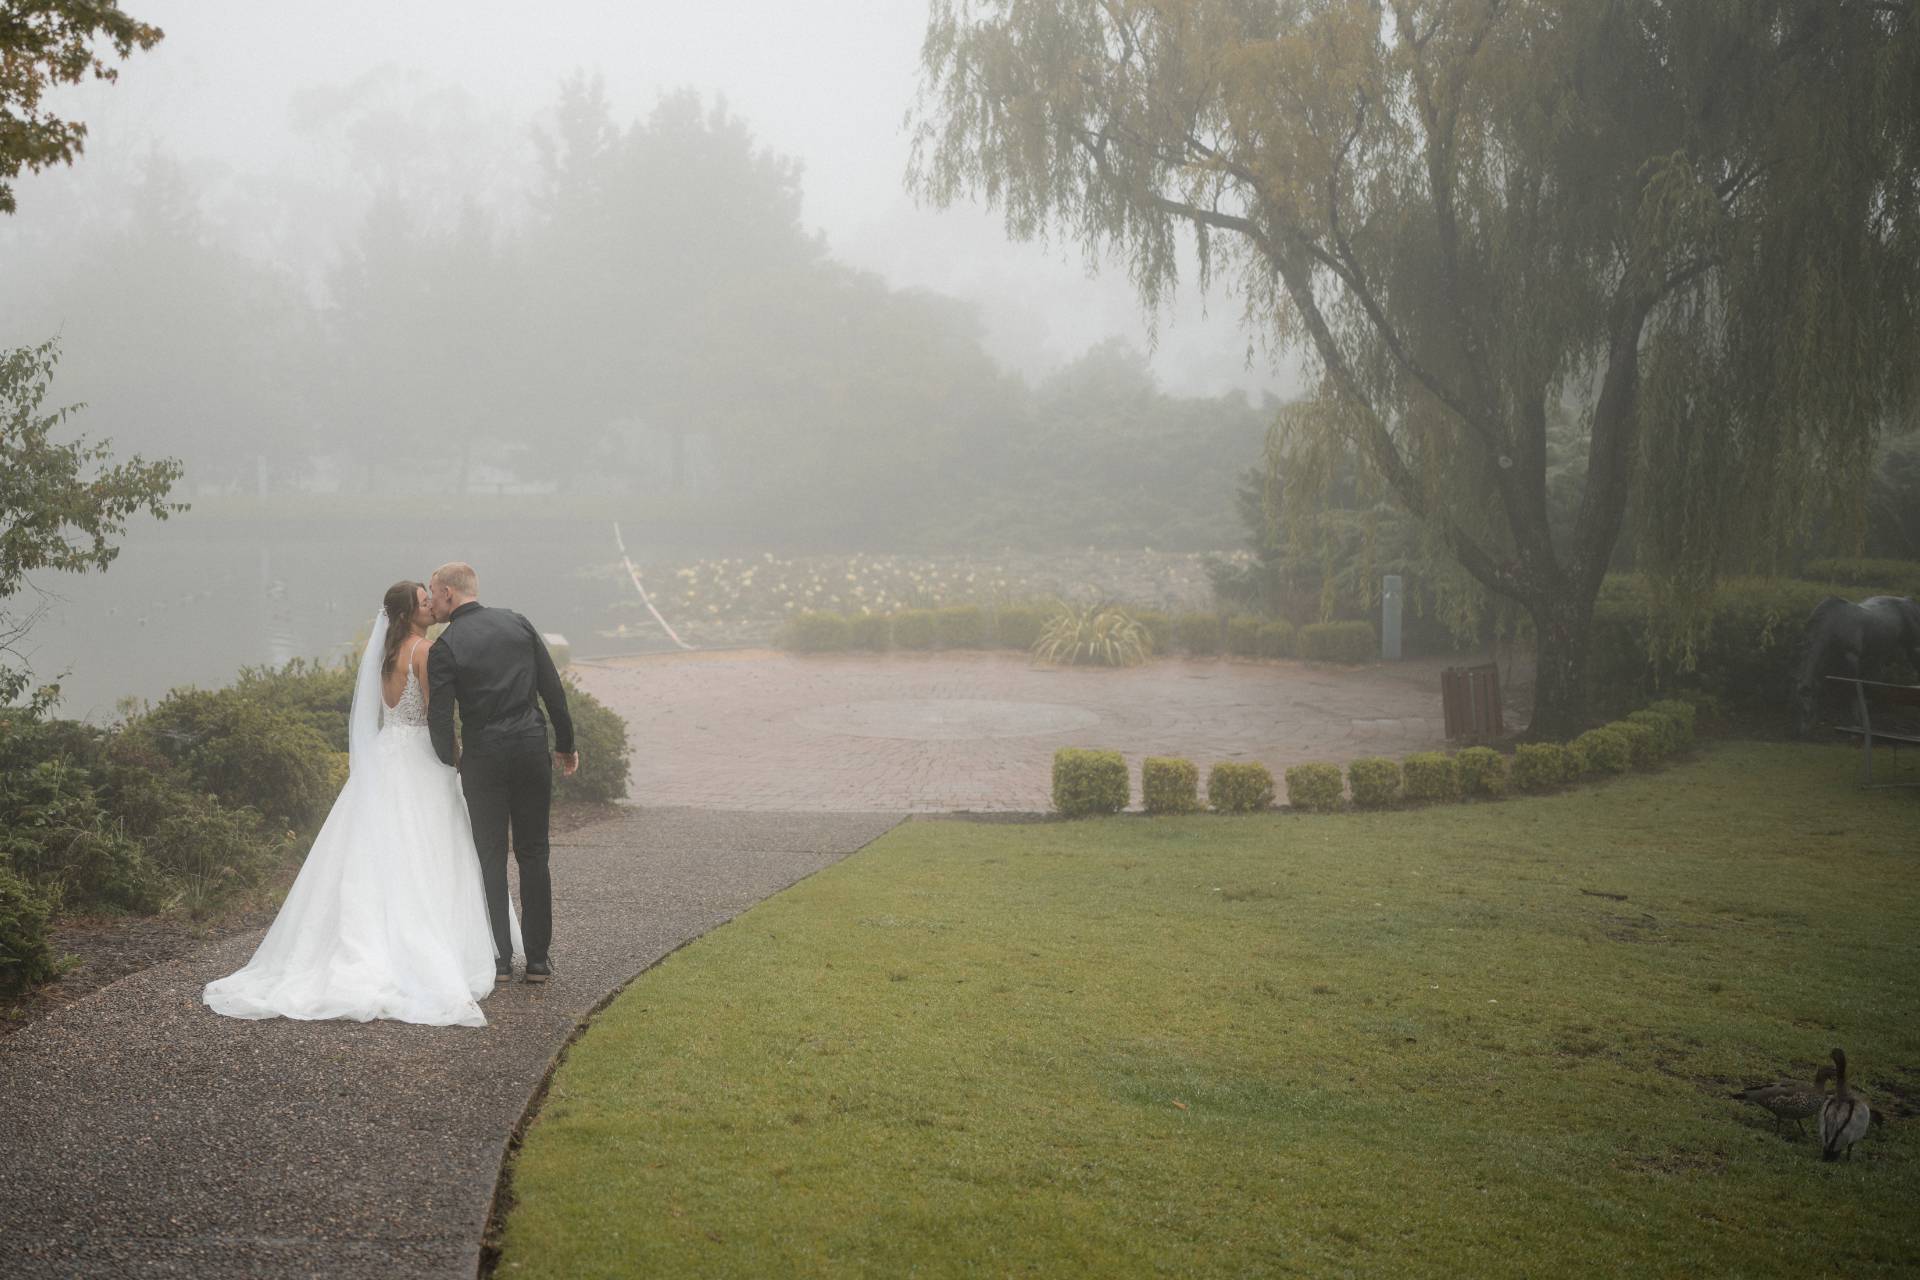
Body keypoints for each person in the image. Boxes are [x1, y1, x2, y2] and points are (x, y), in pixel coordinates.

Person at [203, 581, 516, 1026]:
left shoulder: (386, 655)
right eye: (425, 603)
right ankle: (431, 945)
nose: (431, 607)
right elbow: (434, 715)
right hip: (420, 757)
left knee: (374, 850)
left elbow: (389, 710)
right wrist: (457, 757)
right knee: (428, 849)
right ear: (409, 614)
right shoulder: (423, 652)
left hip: (388, 752)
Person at [426, 562, 577, 985]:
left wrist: (449, 762)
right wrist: (565, 743)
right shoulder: (518, 624)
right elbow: (552, 690)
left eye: (434, 593)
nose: (432, 601)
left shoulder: (446, 645)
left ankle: (499, 958)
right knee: (534, 853)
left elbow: (441, 719)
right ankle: (539, 960)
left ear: (450, 594)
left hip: (483, 757)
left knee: (490, 857)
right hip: (530, 748)